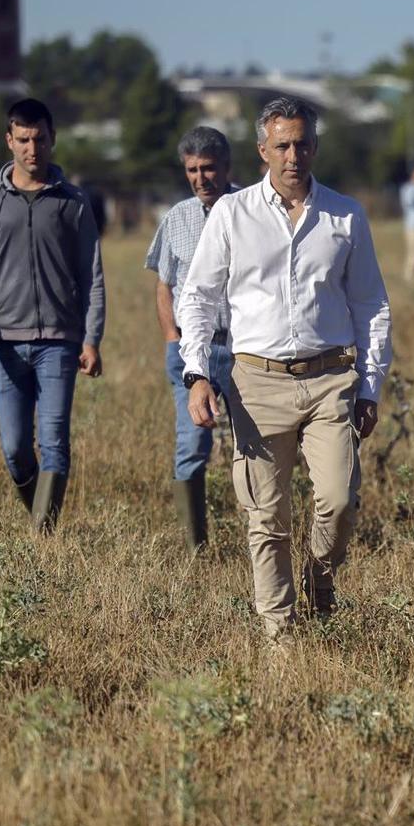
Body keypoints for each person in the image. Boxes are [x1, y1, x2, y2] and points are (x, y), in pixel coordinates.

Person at [177, 96, 391, 642]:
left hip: (331, 379)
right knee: (266, 519)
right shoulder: (233, 213)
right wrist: (197, 373)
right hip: (257, 381)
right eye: (282, 145)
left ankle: (321, 581)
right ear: (262, 151)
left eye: (302, 144)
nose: (293, 155)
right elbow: (198, 298)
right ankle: (279, 632)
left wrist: (369, 386)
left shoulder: (346, 214)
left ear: (315, 147)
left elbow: (371, 304)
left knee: (339, 501)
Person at [0, 97, 106, 533]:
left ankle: (43, 537)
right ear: (9, 141)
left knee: (54, 441)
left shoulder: (73, 202)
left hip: (60, 340)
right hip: (4, 343)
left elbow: (92, 274)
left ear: (52, 139)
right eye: (22, 140)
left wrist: (92, 338)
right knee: (16, 448)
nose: (31, 149)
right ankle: (45, 521)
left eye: (38, 139)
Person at [145, 125, 240, 553]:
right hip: (191, 350)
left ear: (227, 167)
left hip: (243, 349)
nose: (202, 178)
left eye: (209, 168)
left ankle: (261, 534)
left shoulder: (250, 210)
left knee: (260, 446)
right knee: (191, 445)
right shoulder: (177, 217)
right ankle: (195, 546)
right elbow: (165, 285)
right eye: (193, 170)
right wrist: (172, 340)